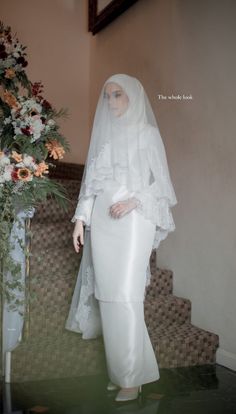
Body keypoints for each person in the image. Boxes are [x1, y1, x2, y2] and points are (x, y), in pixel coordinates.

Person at [66, 74, 177, 402]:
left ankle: (131, 377)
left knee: (126, 296)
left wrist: (133, 201)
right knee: (109, 297)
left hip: (133, 223)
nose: (111, 102)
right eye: (107, 96)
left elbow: (164, 186)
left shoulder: (148, 135)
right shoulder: (106, 139)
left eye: (118, 95)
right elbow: (91, 186)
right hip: (102, 223)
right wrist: (80, 220)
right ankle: (126, 373)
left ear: (133, 98)